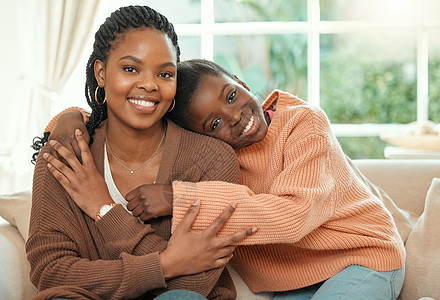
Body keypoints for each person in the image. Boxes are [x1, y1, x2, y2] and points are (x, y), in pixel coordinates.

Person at [49, 58, 406, 299]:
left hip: (362, 258)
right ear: (200, 137)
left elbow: (293, 215)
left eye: (231, 96)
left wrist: (177, 198)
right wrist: (70, 117)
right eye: (214, 123)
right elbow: (128, 119)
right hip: (293, 279)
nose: (235, 117)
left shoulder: (303, 124)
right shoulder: (215, 156)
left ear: (241, 82)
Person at [27, 7, 256, 300]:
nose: (149, 84)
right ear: (101, 73)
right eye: (131, 69)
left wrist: (104, 209)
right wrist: (165, 263)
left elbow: (194, 283)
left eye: (164, 73)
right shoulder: (63, 156)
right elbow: (51, 273)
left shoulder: (212, 160)